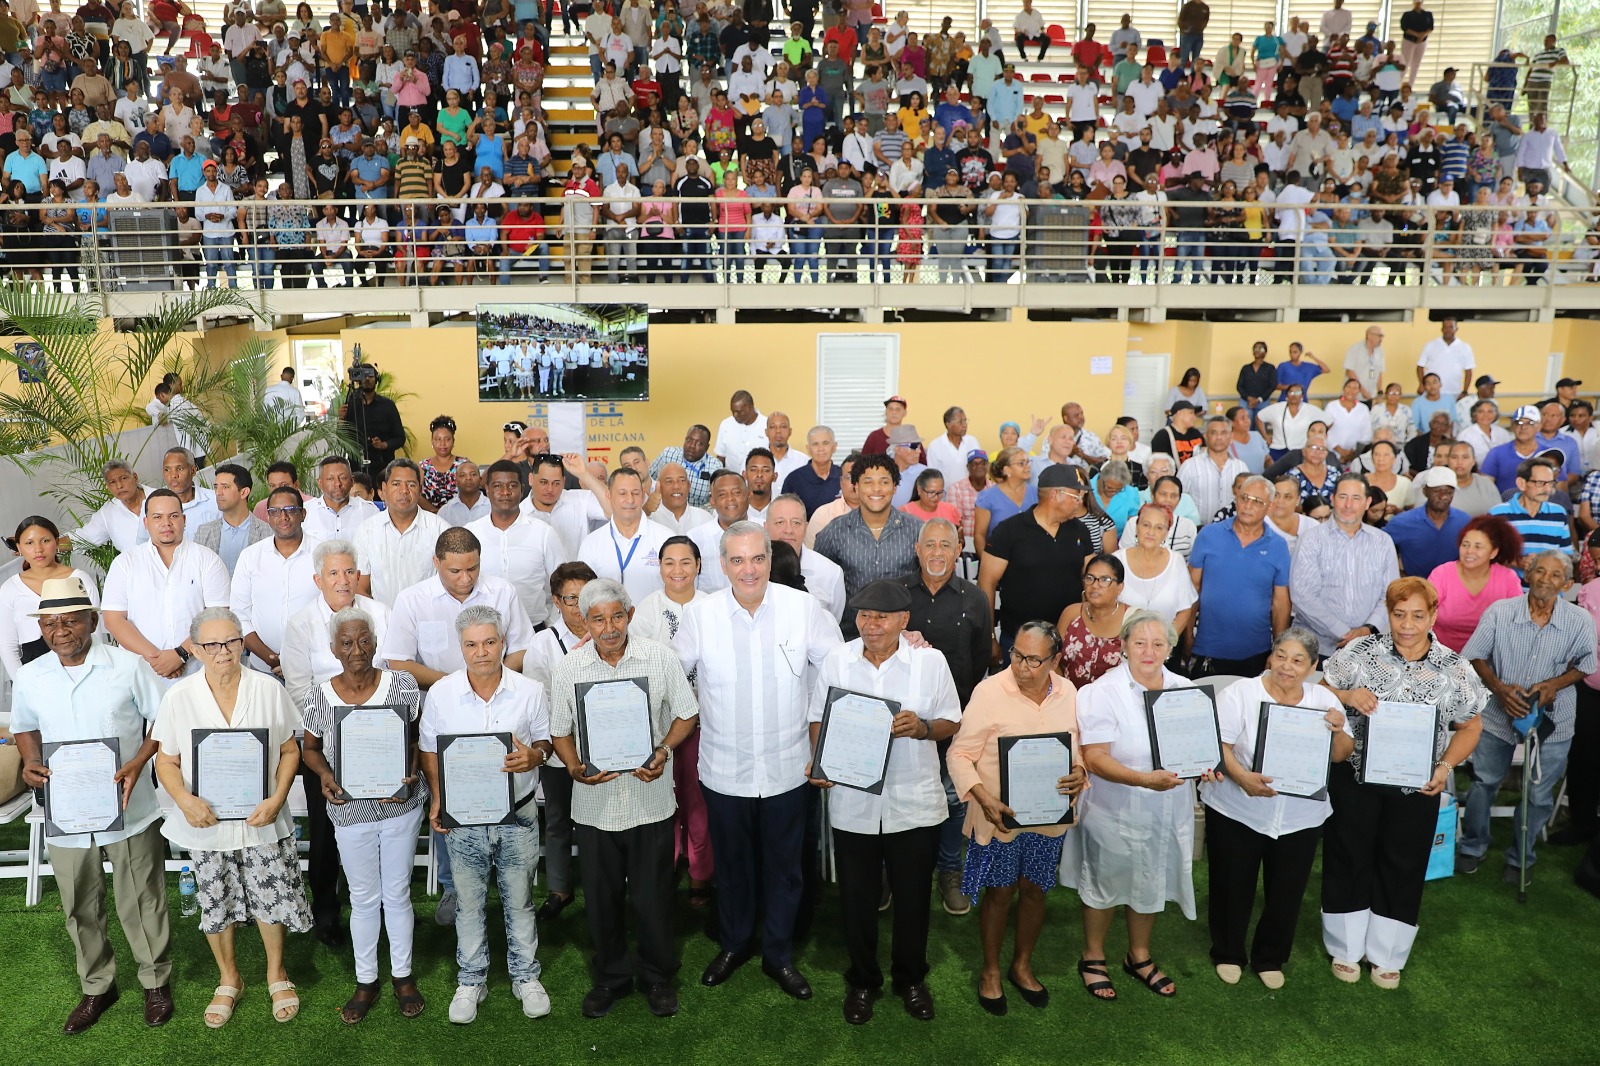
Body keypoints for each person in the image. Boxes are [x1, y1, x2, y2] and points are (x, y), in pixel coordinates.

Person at [676, 521, 842, 999]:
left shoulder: (803, 609)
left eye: (757, 558)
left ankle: (779, 955)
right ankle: (733, 944)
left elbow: (838, 670)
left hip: (789, 768)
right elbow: (669, 674)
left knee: (786, 870)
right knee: (731, 868)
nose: (748, 570)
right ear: (722, 565)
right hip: (724, 771)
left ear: (770, 559)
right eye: (737, 560)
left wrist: (903, 639)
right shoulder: (700, 616)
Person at [11, 576, 173, 1033]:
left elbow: (163, 719)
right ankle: (98, 986)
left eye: (71, 620)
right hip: (66, 811)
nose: (60, 630)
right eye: (50, 623)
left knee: (141, 898)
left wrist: (140, 760)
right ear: (41, 627)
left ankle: (155, 981)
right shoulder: (31, 676)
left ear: (92, 621)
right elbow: (25, 727)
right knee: (79, 902)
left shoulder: (128, 665)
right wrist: (30, 761)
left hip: (128, 805)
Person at [807, 578, 961, 1023]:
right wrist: (821, 762)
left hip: (914, 802)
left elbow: (952, 720)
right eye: (864, 616)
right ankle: (862, 981)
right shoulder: (838, 659)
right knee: (857, 900)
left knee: (913, 899)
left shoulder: (930, 662)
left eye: (881, 617)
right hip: (853, 804)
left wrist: (923, 728)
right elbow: (817, 718)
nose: (870, 625)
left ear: (904, 620)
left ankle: (911, 980)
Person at [1320, 577, 1486, 989]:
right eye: (1398, 615)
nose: (1407, 625)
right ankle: (1345, 947)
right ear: (1388, 614)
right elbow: (1321, 693)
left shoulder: (1455, 669)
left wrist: (1444, 767)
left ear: (1433, 616)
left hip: (1418, 785)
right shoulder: (1358, 652)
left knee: (1404, 861)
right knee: (1348, 854)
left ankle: (1388, 954)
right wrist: (1348, 696)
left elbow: (1470, 726)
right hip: (1355, 775)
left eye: (1417, 615)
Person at [547, 577, 700, 1020]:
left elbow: (687, 713)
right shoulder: (569, 668)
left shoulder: (659, 657)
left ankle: (658, 977)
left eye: (617, 616)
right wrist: (574, 767)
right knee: (600, 900)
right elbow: (559, 730)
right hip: (594, 806)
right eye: (598, 619)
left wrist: (664, 750)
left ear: (630, 615)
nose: (609, 627)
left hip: (650, 801)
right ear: (584, 622)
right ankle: (611, 978)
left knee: (654, 898)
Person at [151, 607, 311, 1027]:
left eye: (231, 642)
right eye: (212, 644)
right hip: (205, 821)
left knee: (271, 897)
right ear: (195, 650)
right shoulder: (179, 697)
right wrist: (184, 800)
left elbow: (289, 750)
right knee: (215, 899)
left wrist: (278, 798)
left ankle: (276, 973)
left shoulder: (268, 689)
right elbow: (166, 761)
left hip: (262, 816)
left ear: (242, 643)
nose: (223, 651)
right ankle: (229, 978)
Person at [1064, 610, 1220, 1001]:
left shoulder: (1186, 690)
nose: (1148, 651)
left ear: (1169, 648)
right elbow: (1094, 757)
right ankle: (1093, 956)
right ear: (1123, 646)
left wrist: (1206, 767)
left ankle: (1138, 956)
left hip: (1167, 807)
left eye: (1157, 643)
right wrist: (1145, 780)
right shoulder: (1101, 692)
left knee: (1152, 878)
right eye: (1139, 643)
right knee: (1104, 881)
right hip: (1113, 807)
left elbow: (1199, 750)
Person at [419, 605, 555, 1024]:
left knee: (520, 901)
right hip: (463, 818)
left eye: (489, 642)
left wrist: (534, 756)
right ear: (461, 648)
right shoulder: (441, 693)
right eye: (472, 644)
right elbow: (428, 751)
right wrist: (438, 798)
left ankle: (525, 976)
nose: (481, 652)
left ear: (503, 643)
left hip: (519, 814)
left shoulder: (530, 690)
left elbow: (546, 742)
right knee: (468, 904)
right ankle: (471, 980)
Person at [946, 619, 1086, 1014]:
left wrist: (1080, 771)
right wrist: (982, 798)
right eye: (1017, 655)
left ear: (1055, 661)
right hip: (998, 817)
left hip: (1049, 816)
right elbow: (959, 754)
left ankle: (1022, 965)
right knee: (1000, 892)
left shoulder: (1070, 693)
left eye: (1033, 660)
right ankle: (990, 971)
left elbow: (1078, 747)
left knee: (1036, 889)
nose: (1022, 666)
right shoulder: (989, 691)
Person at [1201, 627, 1352, 988]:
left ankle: (1270, 957)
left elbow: (1341, 755)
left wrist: (1337, 730)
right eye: (1281, 656)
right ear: (1270, 657)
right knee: (1231, 883)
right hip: (1237, 808)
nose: (1287, 666)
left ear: (1312, 667)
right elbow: (1218, 744)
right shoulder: (1240, 693)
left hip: (1300, 817)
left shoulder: (1324, 700)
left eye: (1298, 660)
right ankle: (1228, 952)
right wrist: (1242, 778)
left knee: (1287, 889)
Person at [298, 607, 427, 1024]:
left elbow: (416, 739)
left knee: (398, 893)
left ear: (374, 642)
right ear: (334, 649)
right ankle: (366, 980)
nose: (357, 650)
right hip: (350, 809)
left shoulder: (402, 684)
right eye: (347, 643)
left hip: (398, 805)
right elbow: (310, 749)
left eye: (364, 640)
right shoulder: (321, 695)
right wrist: (324, 776)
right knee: (363, 897)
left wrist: (412, 770)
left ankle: (403, 976)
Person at [1459, 552, 1597, 881]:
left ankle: (1521, 856)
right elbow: (1474, 655)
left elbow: (1587, 665)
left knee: (1537, 793)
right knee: (1484, 782)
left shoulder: (1579, 620)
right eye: (1540, 571)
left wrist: (1554, 685)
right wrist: (1499, 688)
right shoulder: (1500, 612)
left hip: (1554, 719)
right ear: (1528, 575)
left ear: (1567, 583)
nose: (1545, 579)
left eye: (1555, 575)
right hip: (1498, 713)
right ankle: (1472, 845)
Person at [900, 517, 992, 916]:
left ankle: (950, 870)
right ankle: (893, 872)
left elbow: (980, 659)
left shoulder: (975, 598)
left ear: (958, 551)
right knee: (900, 792)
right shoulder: (897, 594)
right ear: (917, 550)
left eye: (945, 545)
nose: (937, 552)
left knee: (954, 797)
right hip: (902, 721)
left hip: (956, 718)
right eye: (930, 545)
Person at [629, 537, 714, 905]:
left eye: (685, 562)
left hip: (705, 720)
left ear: (698, 564)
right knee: (665, 796)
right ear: (659, 566)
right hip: (659, 722)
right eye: (669, 562)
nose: (677, 570)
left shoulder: (713, 606)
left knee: (697, 798)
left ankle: (701, 873)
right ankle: (668, 863)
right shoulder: (647, 609)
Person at [101, 489, 231, 686]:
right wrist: (157, 659)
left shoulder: (207, 559)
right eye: (157, 517)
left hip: (199, 674)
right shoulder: (125, 563)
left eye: (173, 516)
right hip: (142, 675)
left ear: (184, 520)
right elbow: (113, 620)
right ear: (146, 523)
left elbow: (218, 616)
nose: (166, 523)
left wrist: (181, 654)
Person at [979, 464, 1099, 659]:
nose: (1079, 502)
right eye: (1075, 496)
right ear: (1055, 495)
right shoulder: (1009, 531)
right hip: (1019, 641)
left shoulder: (1080, 531)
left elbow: (1091, 578)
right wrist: (990, 636)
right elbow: (986, 583)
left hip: (1069, 638)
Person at [1188, 476, 1291, 675]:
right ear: (1236, 499)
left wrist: (1278, 651)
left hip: (1256, 652)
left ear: (1269, 506)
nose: (1248, 506)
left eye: (1257, 502)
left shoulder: (1278, 546)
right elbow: (1192, 590)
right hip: (1207, 649)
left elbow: (1281, 603)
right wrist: (1187, 639)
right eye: (1244, 498)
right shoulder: (1208, 535)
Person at [1289, 474, 1400, 656]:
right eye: (1343, 497)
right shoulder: (1311, 539)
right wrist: (1345, 633)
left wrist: (1367, 629)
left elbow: (1391, 594)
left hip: (1368, 648)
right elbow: (1302, 595)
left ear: (1367, 502)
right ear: (1333, 499)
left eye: (1356, 498)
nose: (1348, 505)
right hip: (1316, 649)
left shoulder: (1383, 542)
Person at [814, 453, 923, 632]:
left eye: (884, 482)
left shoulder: (916, 529)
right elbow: (818, 583)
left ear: (895, 487)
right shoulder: (835, 531)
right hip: (850, 635)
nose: (876, 489)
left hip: (903, 636)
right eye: (868, 482)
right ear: (856, 487)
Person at [0, 516, 100, 680]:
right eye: (29, 543)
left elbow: (95, 635)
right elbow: (7, 646)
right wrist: (21, 684)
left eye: (45, 541)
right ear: (18, 547)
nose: (38, 549)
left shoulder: (79, 579)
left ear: (57, 542)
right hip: (32, 673)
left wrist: (94, 676)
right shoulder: (10, 588)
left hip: (81, 669)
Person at [354, 460, 451, 609]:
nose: (404, 490)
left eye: (411, 485)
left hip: (428, 616)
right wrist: (379, 616)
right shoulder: (367, 531)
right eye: (396, 484)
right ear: (384, 488)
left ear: (420, 489)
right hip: (382, 620)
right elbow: (361, 587)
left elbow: (451, 582)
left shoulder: (440, 530)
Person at [1428, 515, 1523, 653]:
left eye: (1478, 546)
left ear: (1493, 553)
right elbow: (1423, 613)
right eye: (1465, 545)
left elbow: (1518, 622)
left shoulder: (1508, 578)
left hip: (1490, 656)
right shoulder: (1442, 574)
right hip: (1441, 655)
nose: (1469, 551)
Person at [578, 466, 674, 602]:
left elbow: (678, 589)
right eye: (622, 493)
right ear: (609, 496)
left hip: (655, 616)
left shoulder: (666, 538)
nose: (630, 500)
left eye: (635, 493)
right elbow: (584, 595)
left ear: (643, 496)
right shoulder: (591, 543)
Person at [1116, 503, 1199, 643]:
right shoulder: (1117, 560)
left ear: (1167, 533)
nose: (1151, 532)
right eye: (1146, 525)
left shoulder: (1176, 561)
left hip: (1165, 647)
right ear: (1137, 527)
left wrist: (1165, 643)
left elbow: (1185, 609)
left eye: (1159, 527)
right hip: (1121, 645)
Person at [1056, 553, 1128, 687]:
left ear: (1120, 586)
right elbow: (1053, 660)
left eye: (1104, 580)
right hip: (1070, 695)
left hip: (1115, 698)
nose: (1095, 585)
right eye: (1090, 578)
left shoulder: (1132, 619)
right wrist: (1065, 691)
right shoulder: (1071, 613)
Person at [1383, 467, 1469, 577]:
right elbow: (1377, 547)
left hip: (1455, 585)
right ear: (1425, 491)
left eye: (1448, 492)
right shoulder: (1402, 522)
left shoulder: (1465, 521)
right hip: (1415, 585)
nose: (1443, 497)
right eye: (1437, 491)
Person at [973, 446, 1036, 555]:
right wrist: (987, 562)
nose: (1028, 466)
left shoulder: (1037, 494)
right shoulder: (988, 497)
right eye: (1021, 463)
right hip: (998, 559)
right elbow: (979, 536)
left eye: (1028, 462)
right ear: (1007, 470)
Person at [303, 455, 380, 541]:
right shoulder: (306, 512)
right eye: (330, 479)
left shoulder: (370, 511)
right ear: (320, 483)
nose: (337, 484)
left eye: (342, 478)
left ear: (352, 480)